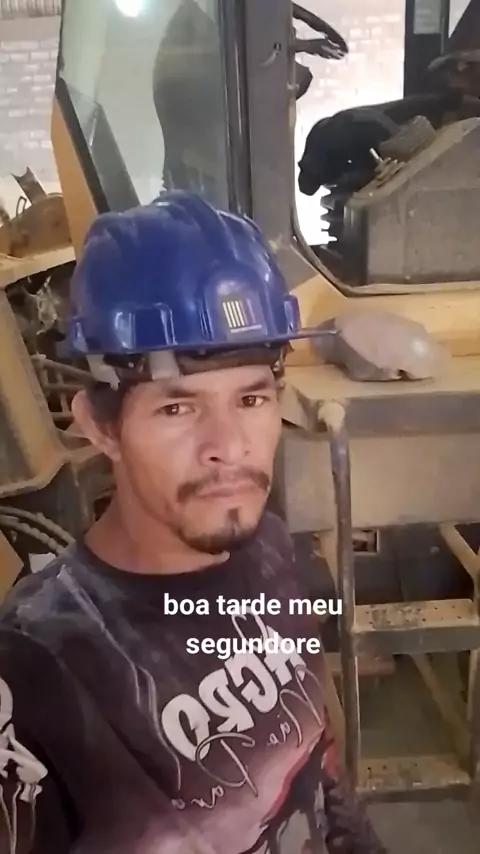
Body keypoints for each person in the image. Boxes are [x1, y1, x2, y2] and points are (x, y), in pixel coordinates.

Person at [0, 192, 386, 854]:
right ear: (99, 426)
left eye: (251, 398)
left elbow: (318, 764)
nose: (229, 447)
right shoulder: (36, 668)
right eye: (177, 409)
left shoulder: (268, 547)